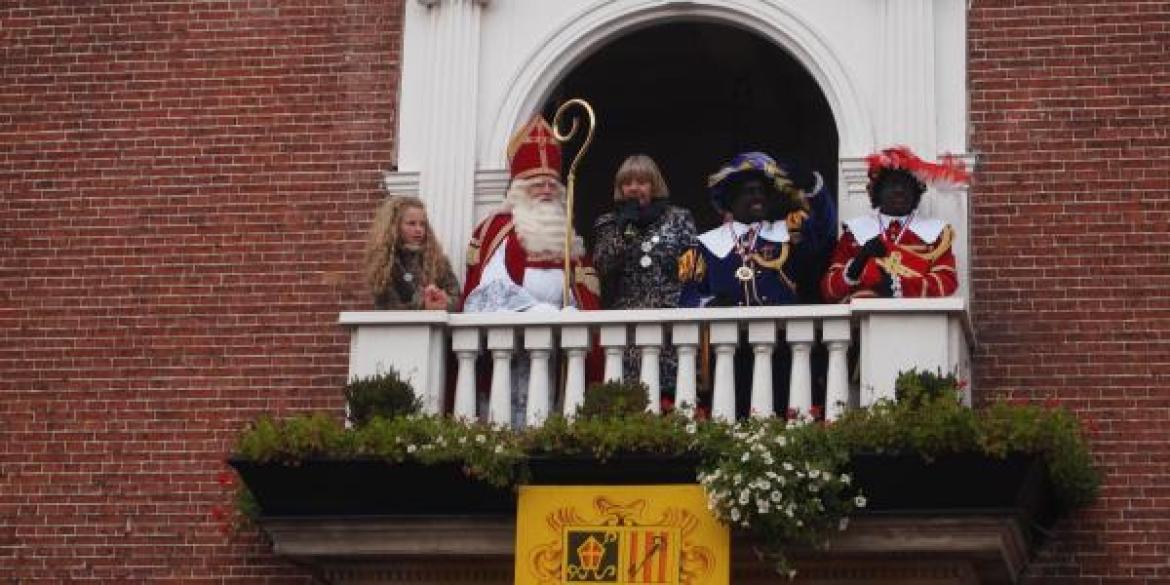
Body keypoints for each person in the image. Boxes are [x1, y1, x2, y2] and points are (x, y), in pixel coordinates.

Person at [461, 115, 601, 426]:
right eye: (538, 184)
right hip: (510, 350)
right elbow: (485, 294)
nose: (548, 190)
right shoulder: (498, 229)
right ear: (519, 189)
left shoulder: (569, 239)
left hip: (557, 351)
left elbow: (586, 293)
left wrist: (573, 310)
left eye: (553, 183)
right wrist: (534, 309)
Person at [592, 155, 696, 392]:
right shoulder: (608, 223)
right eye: (627, 183)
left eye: (641, 182)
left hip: (671, 322)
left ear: (654, 185)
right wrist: (623, 229)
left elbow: (693, 269)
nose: (634, 188)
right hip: (628, 326)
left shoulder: (679, 218)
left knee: (673, 394)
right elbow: (603, 266)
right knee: (631, 395)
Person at [821, 146, 969, 302]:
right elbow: (829, 290)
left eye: (906, 185)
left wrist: (899, 286)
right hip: (865, 321)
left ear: (916, 192)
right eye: (892, 184)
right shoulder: (855, 233)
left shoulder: (936, 234)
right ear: (877, 191)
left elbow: (946, 282)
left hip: (917, 321)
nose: (899, 190)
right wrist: (857, 264)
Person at [678, 151, 812, 308]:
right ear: (731, 199)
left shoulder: (788, 231)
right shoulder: (701, 246)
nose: (758, 197)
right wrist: (708, 305)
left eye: (762, 191)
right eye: (750, 191)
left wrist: (812, 187)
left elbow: (824, 229)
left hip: (781, 330)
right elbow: (688, 298)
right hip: (725, 330)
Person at [364, 195, 461, 311]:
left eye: (422, 224)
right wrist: (423, 304)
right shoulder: (384, 262)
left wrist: (444, 301)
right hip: (398, 328)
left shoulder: (438, 260)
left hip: (435, 327)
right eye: (411, 223)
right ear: (394, 226)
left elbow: (456, 298)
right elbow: (387, 307)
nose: (418, 229)